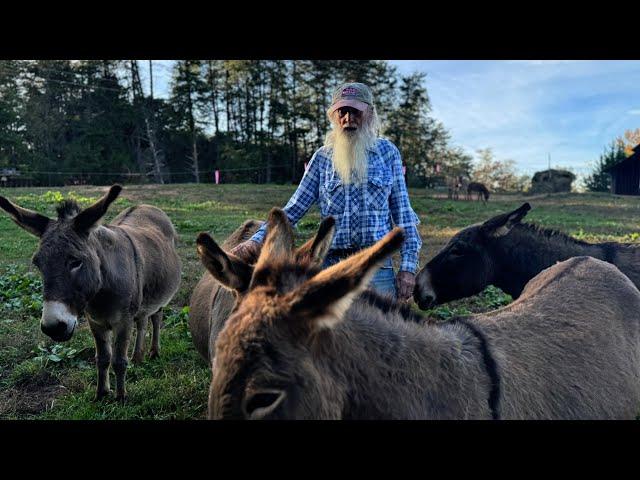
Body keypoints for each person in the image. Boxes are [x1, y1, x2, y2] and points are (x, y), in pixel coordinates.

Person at [231, 82, 422, 301]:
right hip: (331, 268)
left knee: (381, 333)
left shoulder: (388, 153)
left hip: (376, 268)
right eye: (342, 111)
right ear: (334, 116)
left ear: (370, 113)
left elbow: (404, 216)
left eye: (355, 111)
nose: (348, 118)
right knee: (329, 333)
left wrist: (407, 268)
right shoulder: (322, 158)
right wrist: (255, 241)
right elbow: (292, 210)